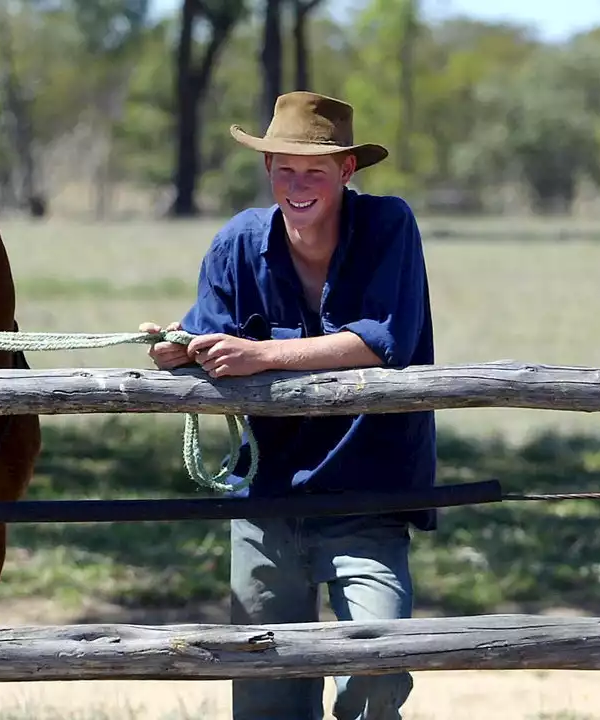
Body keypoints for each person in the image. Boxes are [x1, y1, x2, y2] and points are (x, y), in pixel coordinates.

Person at [141, 91, 437, 720]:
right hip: (266, 499)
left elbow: (382, 342)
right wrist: (183, 350)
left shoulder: (390, 226)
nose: (298, 185)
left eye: (315, 172)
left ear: (347, 172)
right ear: (267, 169)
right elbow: (211, 337)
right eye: (284, 170)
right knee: (264, 694)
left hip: (368, 494)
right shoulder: (236, 243)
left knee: (376, 672)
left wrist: (260, 355)